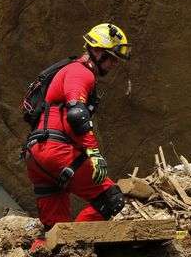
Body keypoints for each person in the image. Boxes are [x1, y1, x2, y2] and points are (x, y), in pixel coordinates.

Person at [24, 23, 131, 248]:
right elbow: (76, 113)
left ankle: (50, 250)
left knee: (55, 233)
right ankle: (78, 248)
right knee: (111, 199)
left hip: (36, 156)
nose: (114, 64)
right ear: (98, 52)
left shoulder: (69, 71)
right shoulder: (80, 72)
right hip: (56, 151)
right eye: (112, 58)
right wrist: (93, 151)